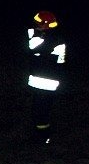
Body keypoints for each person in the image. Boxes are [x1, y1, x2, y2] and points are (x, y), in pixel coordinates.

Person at [26, 10, 66, 144]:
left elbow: (32, 48)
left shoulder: (50, 40)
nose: (35, 25)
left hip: (46, 82)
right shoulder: (53, 37)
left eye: (38, 23)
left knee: (40, 112)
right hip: (44, 81)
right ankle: (42, 136)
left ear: (45, 25)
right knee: (40, 111)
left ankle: (43, 138)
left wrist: (37, 35)